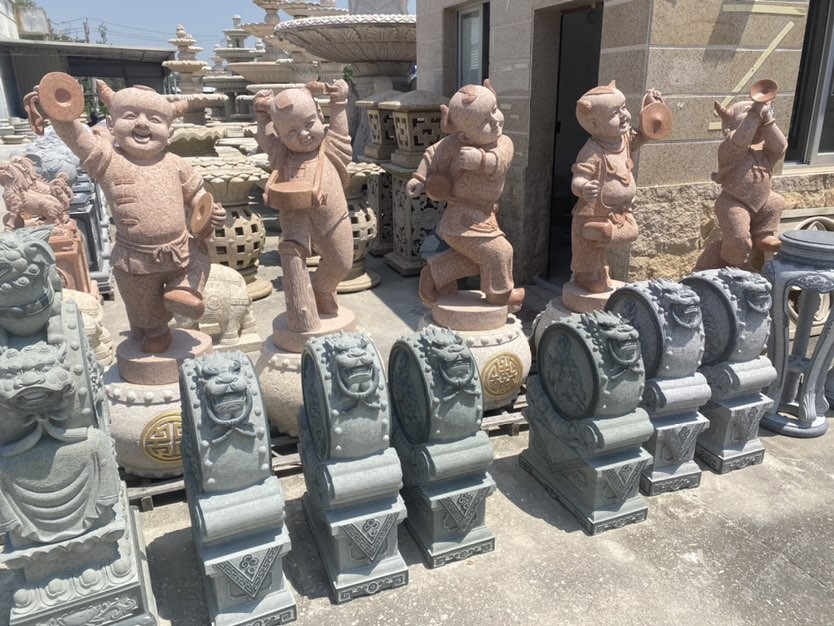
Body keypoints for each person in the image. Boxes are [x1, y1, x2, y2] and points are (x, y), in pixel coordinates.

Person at [29, 78, 226, 353]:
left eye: (155, 119)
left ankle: (183, 291)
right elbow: (79, 140)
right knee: (146, 316)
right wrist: (59, 110)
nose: (143, 124)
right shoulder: (109, 161)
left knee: (201, 255)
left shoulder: (175, 164)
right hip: (135, 257)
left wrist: (209, 211)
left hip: (180, 250)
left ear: (169, 132)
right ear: (111, 124)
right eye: (131, 115)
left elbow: (197, 195)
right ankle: (152, 328)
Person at [406, 81, 524, 311]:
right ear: (463, 134)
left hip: (485, 215)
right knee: (501, 252)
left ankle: (434, 274)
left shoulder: (504, 143)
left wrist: (480, 160)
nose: (495, 120)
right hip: (460, 218)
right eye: (484, 122)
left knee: (479, 259)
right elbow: (432, 155)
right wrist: (419, 179)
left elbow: (500, 162)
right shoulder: (453, 145)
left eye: (494, 110)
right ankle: (499, 294)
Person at [253, 80, 353, 333]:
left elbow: (340, 132)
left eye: (309, 124)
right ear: (279, 133)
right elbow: (266, 139)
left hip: (332, 215)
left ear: (319, 114)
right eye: (291, 132)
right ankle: (301, 310)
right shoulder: (282, 154)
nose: (304, 134)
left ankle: (322, 289)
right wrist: (262, 117)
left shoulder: (328, 147)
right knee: (294, 256)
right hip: (295, 214)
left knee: (342, 262)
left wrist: (339, 102)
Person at [570, 81, 664, 293]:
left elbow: (646, 133)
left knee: (631, 232)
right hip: (591, 213)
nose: (624, 115)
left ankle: (603, 235)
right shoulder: (591, 151)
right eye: (615, 112)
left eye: (624, 107)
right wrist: (584, 188)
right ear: (594, 124)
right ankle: (587, 274)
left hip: (619, 212)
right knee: (588, 255)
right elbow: (577, 178)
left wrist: (652, 106)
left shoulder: (625, 140)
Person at [694, 95, 786, 271]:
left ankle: (764, 233)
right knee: (739, 238)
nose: (757, 119)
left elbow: (780, 146)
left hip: (761, 200)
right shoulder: (729, 149)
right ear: (729, 127)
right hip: (733, 201)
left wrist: (767, 119)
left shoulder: (765, 153)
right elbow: (741, 140)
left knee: (776, 201)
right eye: (748, 113)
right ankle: (738, 264)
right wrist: (755, 112)